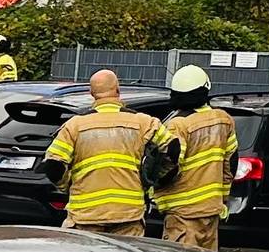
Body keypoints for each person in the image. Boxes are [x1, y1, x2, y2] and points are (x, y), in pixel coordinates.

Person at [38, 70, 170, 237]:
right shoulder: (143, 122)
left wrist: (66, 186)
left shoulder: (74, 126)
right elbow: (172, 149)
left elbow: (53, 165)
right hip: (128, 214)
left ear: (91, 93)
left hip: (86, 215)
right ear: (118, 90)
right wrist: (155, 179)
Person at [151, 65, 235, 251]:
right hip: (211, 211)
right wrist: (223, 199)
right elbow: (230, 164)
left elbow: (169, 167)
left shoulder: (178, 125)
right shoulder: (223, 120)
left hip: (182, 215)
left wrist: (153, 189)